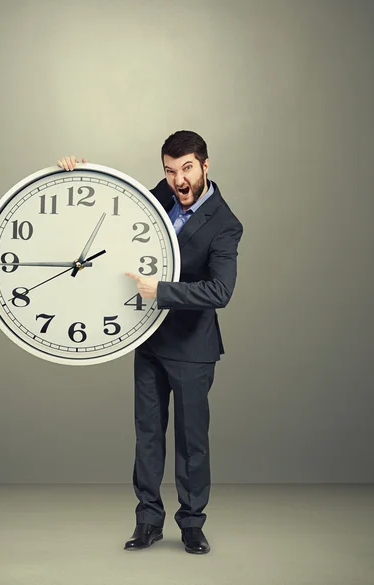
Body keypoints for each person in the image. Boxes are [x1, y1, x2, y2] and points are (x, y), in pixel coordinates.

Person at [57, 130, 243, 554]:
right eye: (170, 170)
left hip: (194, 348)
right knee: (147, 436)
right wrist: (78, 173)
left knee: (192, 441)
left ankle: (192, 524)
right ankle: (148, 521)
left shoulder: (226, 224)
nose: (178, 180)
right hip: (148, 340)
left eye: (188, 169)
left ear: (205, 166)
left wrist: (161, 290)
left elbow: (220, 292)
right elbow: (117, 202)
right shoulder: (162, 192)